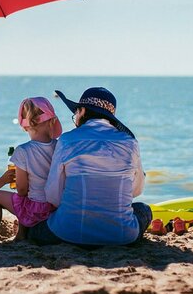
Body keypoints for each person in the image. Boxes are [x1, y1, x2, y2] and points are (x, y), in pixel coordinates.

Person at [28, 87, 152, 247]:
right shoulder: (130, 143)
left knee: (34, 230)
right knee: (143, 210)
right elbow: (136, 191)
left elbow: (53, 195)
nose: (75, 118)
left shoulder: (67, 140)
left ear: (83, 110)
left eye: (76, 113)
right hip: (120, 235)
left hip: (69, 233)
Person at [0, 97, 62, 244]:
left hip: (37, 210)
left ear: (25, 126)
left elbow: (21, 189)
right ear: (52, 121)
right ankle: (20, 235)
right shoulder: (60, 147)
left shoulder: (23, 151)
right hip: (56, 207)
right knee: (26, 198)